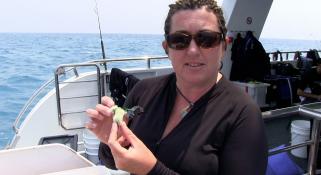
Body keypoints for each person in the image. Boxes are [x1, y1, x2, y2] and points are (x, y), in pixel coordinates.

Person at [86, 0, 268, 174]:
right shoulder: (143, 91)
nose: (193, 50)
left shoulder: (243, 114)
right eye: (180, 40)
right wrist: (111, 141)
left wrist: (151, 170)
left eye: (207, 39)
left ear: (223, 46)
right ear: (167, 48)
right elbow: (112, 162)